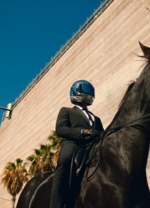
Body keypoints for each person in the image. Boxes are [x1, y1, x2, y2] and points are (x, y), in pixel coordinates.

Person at [50, 80, 104, 208]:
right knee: (65, 160)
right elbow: (61, 129)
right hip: (74, 144)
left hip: (93, 146)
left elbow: (102, 133)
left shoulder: (96, 118)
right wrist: (82, 132)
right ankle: (56, 204)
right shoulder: (66, 111)